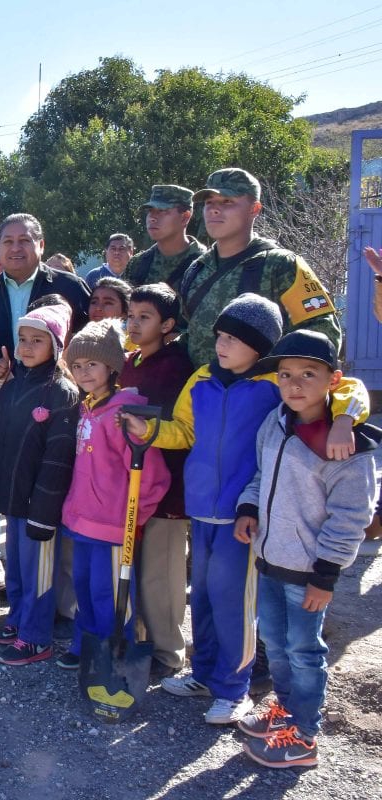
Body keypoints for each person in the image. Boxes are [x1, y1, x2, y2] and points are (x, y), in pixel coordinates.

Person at [122, 294, 367, 724]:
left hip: (244, 516)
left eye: (233, 338)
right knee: (204, 598)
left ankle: (235, 689)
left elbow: (348, 388)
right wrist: (151, 430)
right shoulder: (201, 378)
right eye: (220, 334)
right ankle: (204, 673)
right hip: (201, 509)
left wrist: (345, 419)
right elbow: (183, 431)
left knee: (235, 601)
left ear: (259, 348)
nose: (221, 344)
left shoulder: (277, 382)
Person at [234, 330, 378, 769]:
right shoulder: (276, 422)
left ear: (333, 380)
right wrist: (249, 507)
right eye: (286, 374)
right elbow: (263, 475)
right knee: (275, 642)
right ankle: (285, 706)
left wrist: (326, 575)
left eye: (308, 374)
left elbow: (351, 518)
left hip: (309, 573)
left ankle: (306, 734)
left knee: (304, 649)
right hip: (271, 559)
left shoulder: (348, 447)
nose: (295, 384)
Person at [61, 319, 170, 670]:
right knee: (84, 587)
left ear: (111, 366)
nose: (83, 372)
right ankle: (86, 643)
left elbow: (152, 475)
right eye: (76, 366)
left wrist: (133, 517)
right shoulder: (86, 408)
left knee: (111, 592)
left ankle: (114, 649)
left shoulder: (124, 414)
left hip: (112, 525)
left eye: (91, 364)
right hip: (81, 519)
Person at [0, 301, 78, 665]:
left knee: (40, 571)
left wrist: (45, 510)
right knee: (17, 564)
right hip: (14, 497)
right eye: (22, 339)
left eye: (37, 340)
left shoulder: (61, 393)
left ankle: (38, 636)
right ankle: (19, 618)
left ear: (55, 345)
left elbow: (58, 459)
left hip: (40, 506)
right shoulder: (15, 385)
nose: (26, 347)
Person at [180, 168, 341, 368]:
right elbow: (187, 333)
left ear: (254, 209)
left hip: (264, 394)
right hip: (202, 392)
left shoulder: (281, 265)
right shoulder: (197, 268)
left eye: (227, 202)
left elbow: (323, 334)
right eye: (209, 202)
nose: (214, 210)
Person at [117, 283, 195, 679]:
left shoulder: (175, 365)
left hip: (168, 486)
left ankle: (169, 653)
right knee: (138, 568)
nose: (133, 323)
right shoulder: (132, 361)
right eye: (130, 316)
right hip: (134, 482)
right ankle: (143, 642)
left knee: (161, 574)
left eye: (144, 317)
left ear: (167, 324)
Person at [0, 213, 91, 358]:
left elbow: (91, 342)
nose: (15, 248)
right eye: (8, 242)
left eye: (24, 240)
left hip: (58, 380)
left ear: (41, 245)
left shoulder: (71, 287)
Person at [124, 185, 205, 292]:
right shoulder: (137, 264)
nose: (152, 218)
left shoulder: (204, 264)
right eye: (150, 211)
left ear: (185, 217)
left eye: (162, 211)